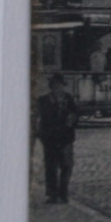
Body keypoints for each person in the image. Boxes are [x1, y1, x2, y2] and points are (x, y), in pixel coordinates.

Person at [34, 73, 79, 204]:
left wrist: (72, 120)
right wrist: (39, 132)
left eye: (59, 85)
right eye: (54, 85)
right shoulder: (43, 100)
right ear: (51, 86)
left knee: (67, 165)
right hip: (50, 137)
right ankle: (52, 194)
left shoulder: (69, 98)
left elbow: (75, 113)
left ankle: (63, 192)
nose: (57, 87)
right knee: (51, 167)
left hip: (66, 137)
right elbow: (38, 118)